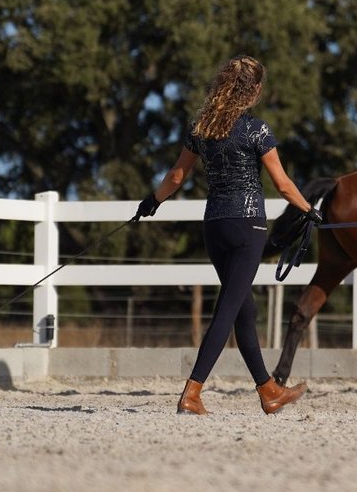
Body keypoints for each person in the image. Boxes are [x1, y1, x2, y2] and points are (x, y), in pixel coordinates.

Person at [136, 55, 321, 415]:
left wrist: (151, 201)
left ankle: (268, 391)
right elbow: (282, 185)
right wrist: (309, 210)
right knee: (227, 311)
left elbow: (176, 176)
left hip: (215, 228)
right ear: (253, 91)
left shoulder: (201, 126)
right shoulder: (256, 130)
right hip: (247, 226)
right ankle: (192, 392)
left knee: (243, 310)